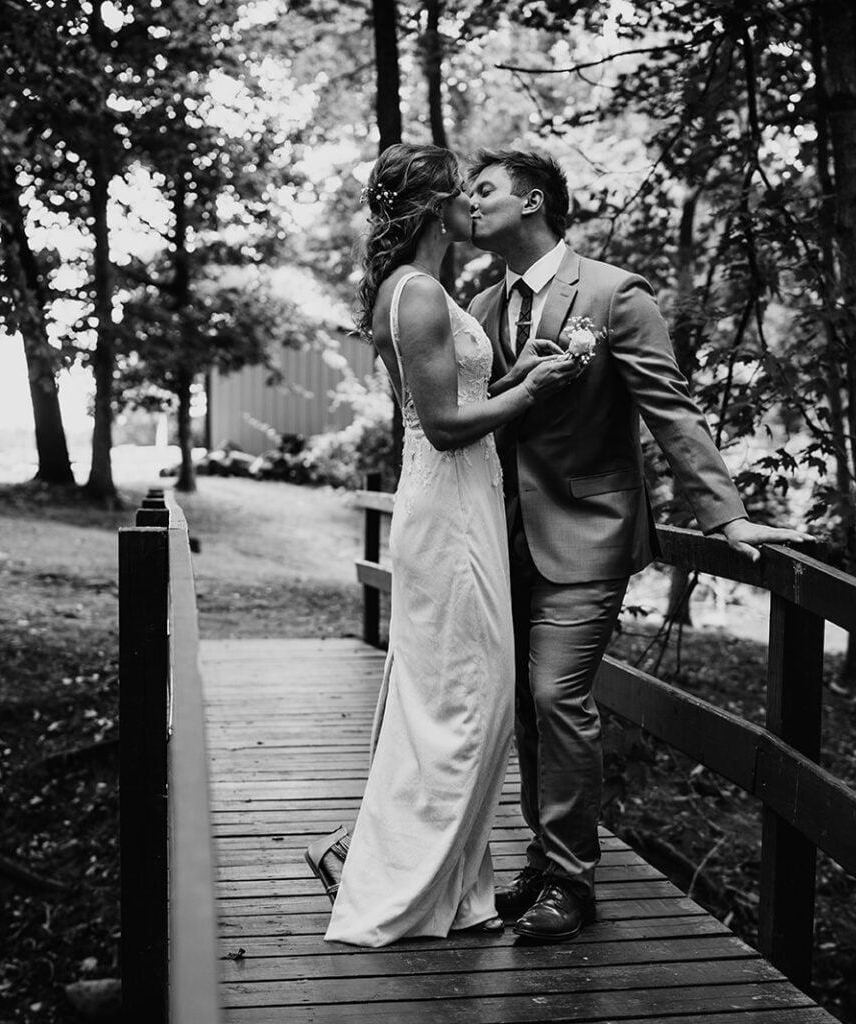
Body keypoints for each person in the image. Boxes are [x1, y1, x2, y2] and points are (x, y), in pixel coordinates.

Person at [466, 148, 813, 943]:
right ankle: (545, 860)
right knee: (523, 704)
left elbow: (673, 410)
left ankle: (574, 885)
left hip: (587, 530)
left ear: (533, 202)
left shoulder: (615, 293)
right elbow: (479, 412)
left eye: (484, 191)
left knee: (558, 695)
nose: (470, 204)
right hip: (498, 534)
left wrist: (726, 517)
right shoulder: (482, 305)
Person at [313, 143, 582, 948]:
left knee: (464, 693)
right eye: (461, 189)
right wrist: (530, 390)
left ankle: (451, 885)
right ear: (435, 207)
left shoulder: (424, 288)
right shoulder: (420, 292)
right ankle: (399, 877)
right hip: (452, 506)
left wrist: (515, 373)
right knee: (466, 700)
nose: (473, 199)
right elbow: (445, 426)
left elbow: (465, 398)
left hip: (462, 500)